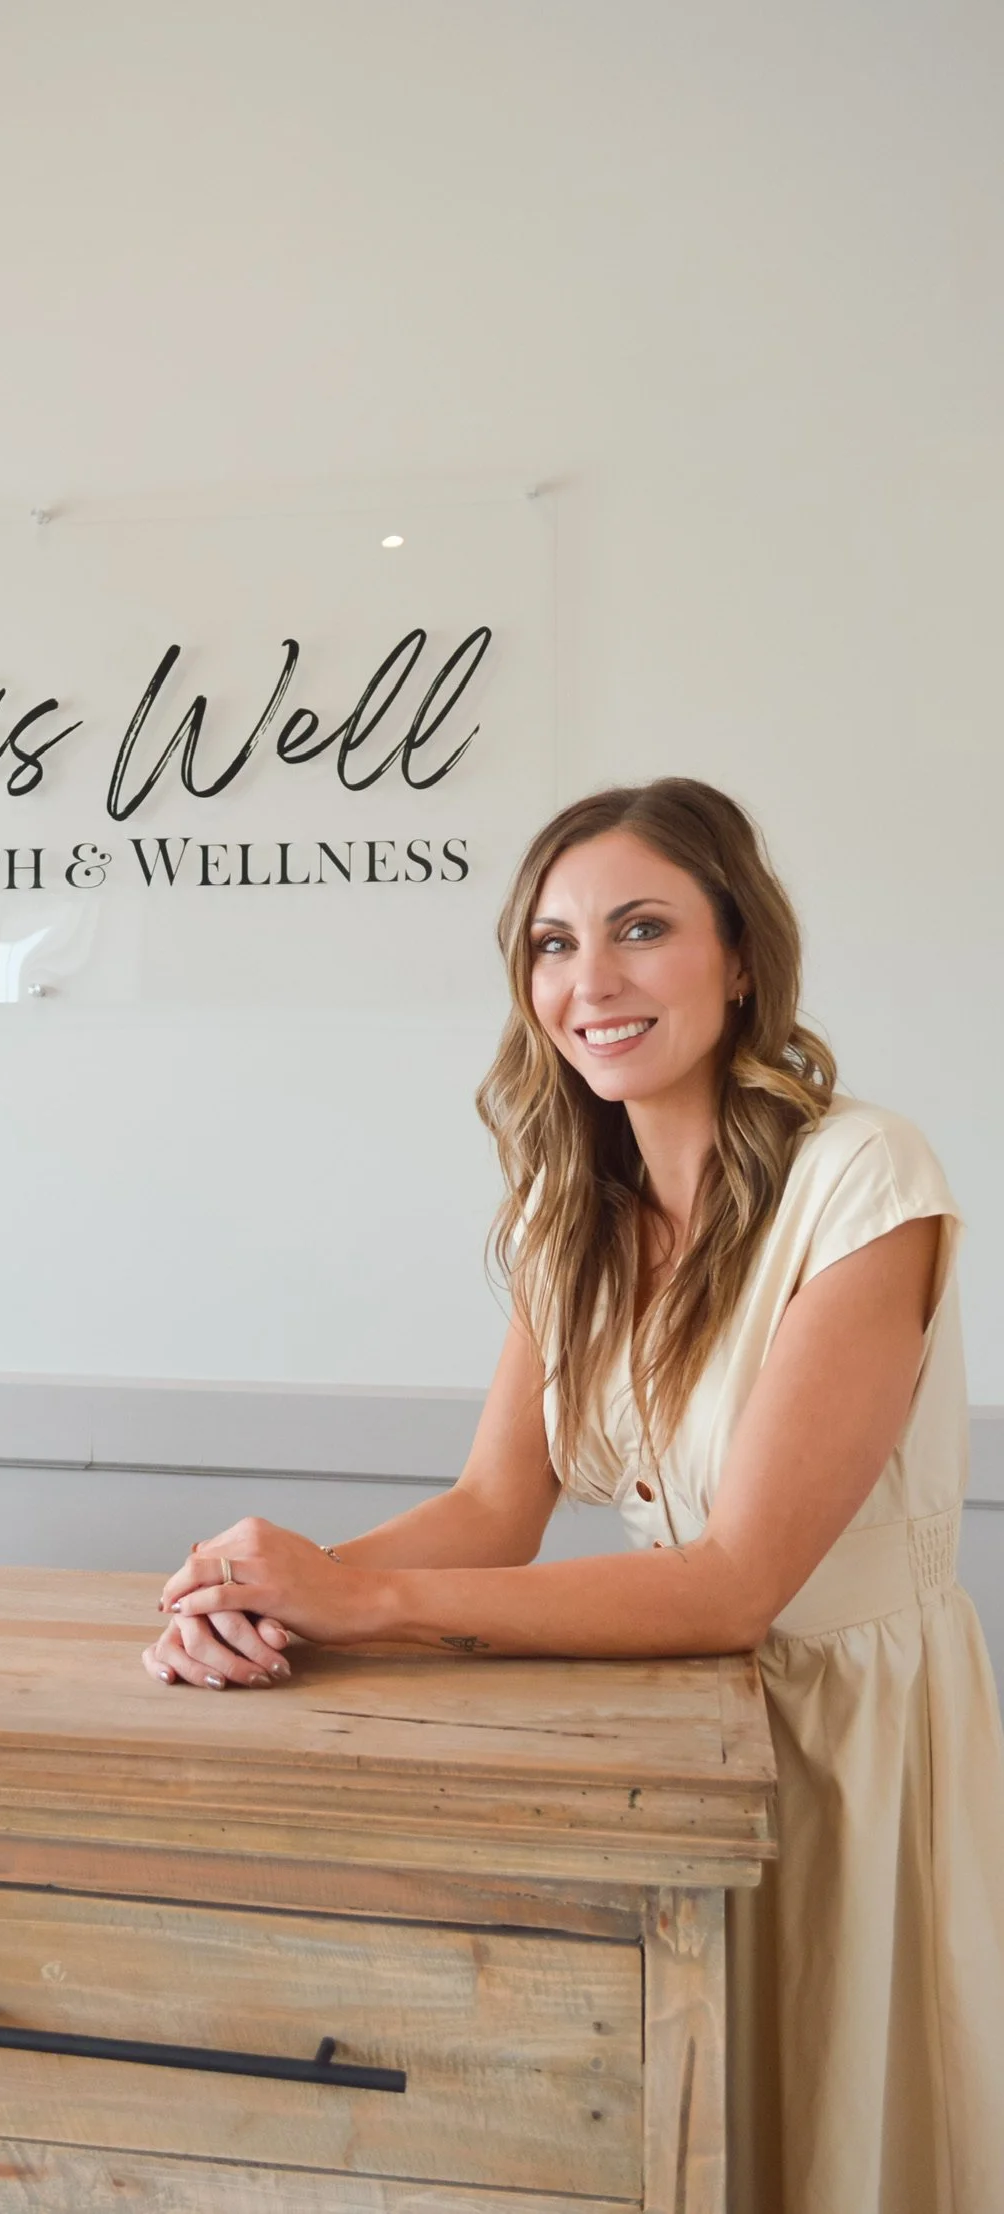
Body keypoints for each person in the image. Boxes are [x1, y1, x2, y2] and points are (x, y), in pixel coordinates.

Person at [144, 777, 1004, 2214]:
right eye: (550, 943)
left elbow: (739, 1580)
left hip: (855, 1739)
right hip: (666, 1743)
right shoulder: (570, 1214)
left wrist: (355, 1594)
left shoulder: (863, 1176)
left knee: (848, 2141)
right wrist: (257, 1597)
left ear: (740, 956)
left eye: (640, 927)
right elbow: (493, 1507)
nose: (587, 980)